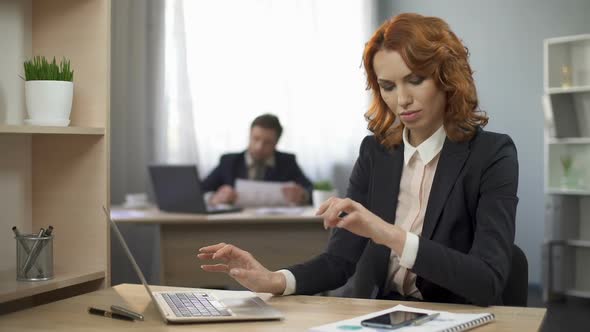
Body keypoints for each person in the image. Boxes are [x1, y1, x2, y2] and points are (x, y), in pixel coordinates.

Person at [197, 13, 518, 306]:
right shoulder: (375, 152)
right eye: (388, 86)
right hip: (381, 308)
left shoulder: (492, 154)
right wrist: (274, 279)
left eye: (415, 80)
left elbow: (487, 281)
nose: (402, 100)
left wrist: (385, 232)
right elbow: (339, 261)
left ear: (446, 76)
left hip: (454, 313)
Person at [202, 113, 313, 206]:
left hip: (276, 225)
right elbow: (199, 192)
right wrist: (213, 198)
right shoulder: (229, 162)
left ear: (276, 143)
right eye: (256, 139)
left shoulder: (287, 162)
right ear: (249, 135)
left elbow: (311, 191)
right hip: (235, 225)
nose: (259, 147)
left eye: (267, 142)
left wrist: (303, 195)